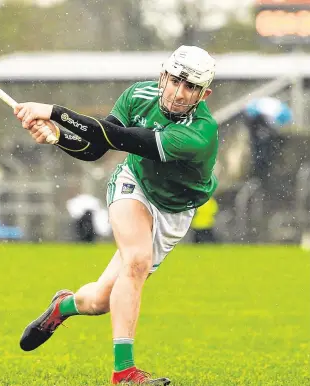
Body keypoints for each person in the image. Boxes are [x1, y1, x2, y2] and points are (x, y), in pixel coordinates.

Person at [15, 45, 218, 385]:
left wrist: (54, 113)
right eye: (176, 81)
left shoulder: (200, 132)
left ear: (204, 93)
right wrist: (57, 137)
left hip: (174, 213)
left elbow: (120, 137)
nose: (179, 93)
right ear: (163, 75)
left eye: (191, 87)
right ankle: (124, 372)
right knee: (136, 261)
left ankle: (62, 307)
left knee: (98, 301)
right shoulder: (138, 95)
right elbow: (95, 149)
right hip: (132, 185)